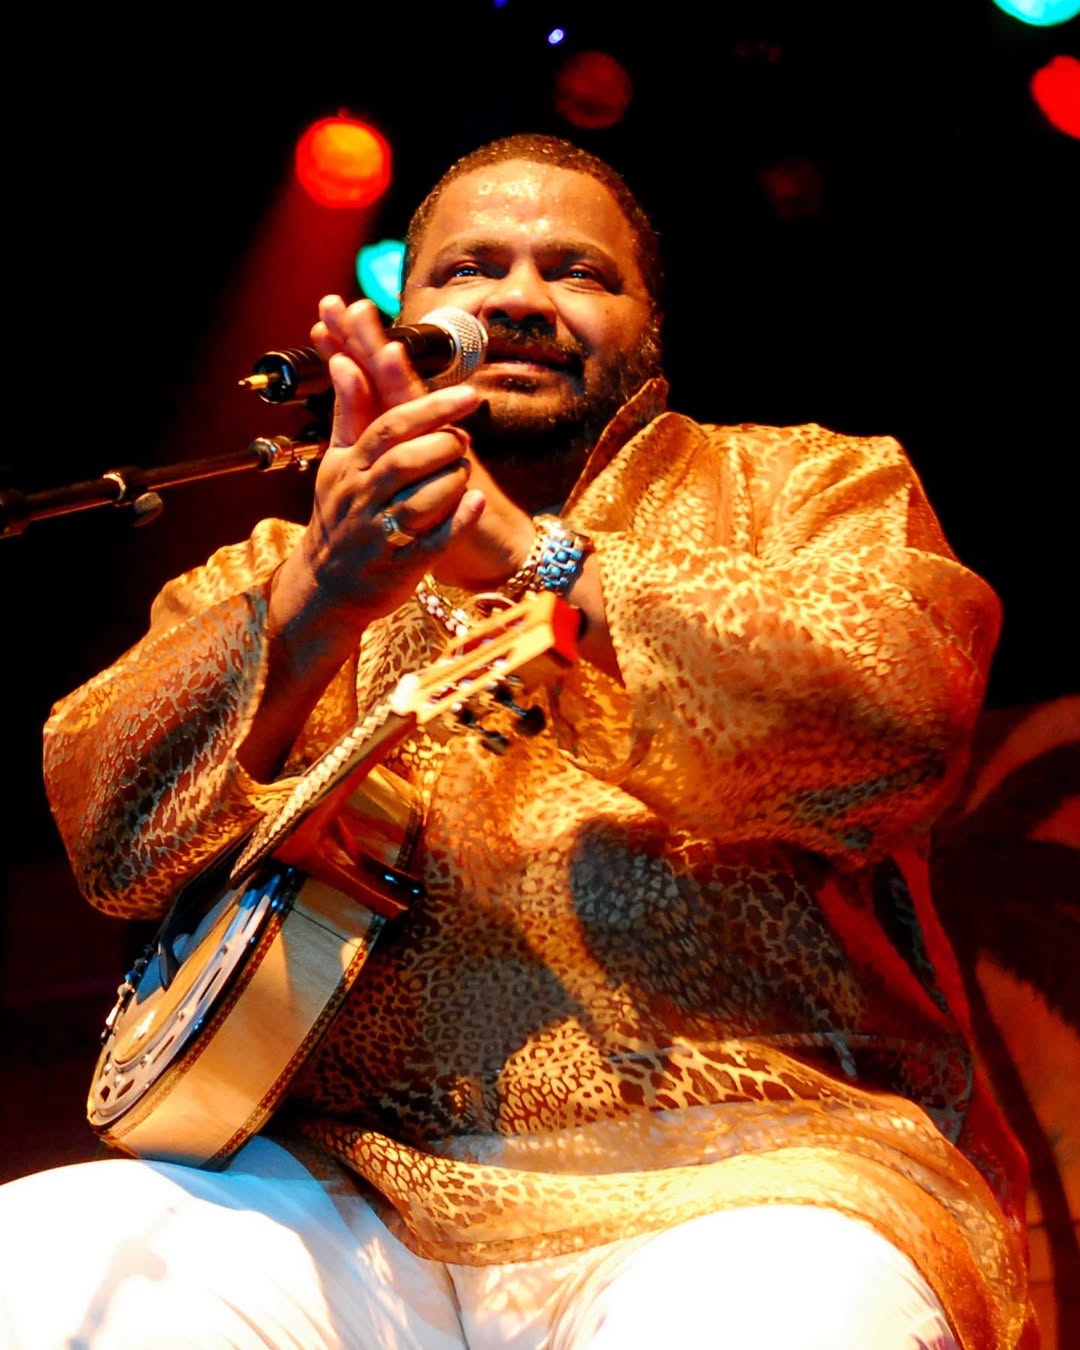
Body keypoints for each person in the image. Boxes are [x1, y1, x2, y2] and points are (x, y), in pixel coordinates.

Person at [0, 134, 1034, 1348]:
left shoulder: (803, 484)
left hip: (747, 1168)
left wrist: (534, 556)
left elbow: (895, 712)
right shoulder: (278, 566)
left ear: (651, 325)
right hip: (344, 1186)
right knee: (48, 1264)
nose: (519, 298)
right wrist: (317, 602)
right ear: (405, 318)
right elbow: (106, 827)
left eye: (577, 271)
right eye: (469, 269)